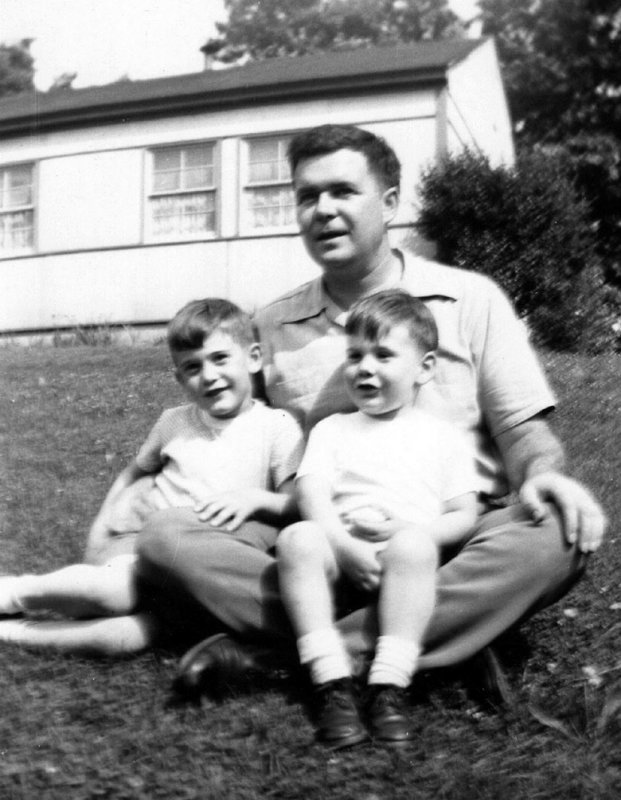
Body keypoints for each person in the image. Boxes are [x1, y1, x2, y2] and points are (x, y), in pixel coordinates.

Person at [137, 124, 606, 703]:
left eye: (341, 191)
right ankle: (433, 634)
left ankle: (301, 652)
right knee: (164, 536)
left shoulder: (471, 299)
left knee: (558, 532)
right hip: (320, 545)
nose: (322, 210)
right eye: (307, 196)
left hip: (448, 539)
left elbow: (524, 430)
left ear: (389, 203)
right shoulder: (272, 326)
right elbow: (235, 432)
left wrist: (543, 475)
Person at [0, 298, 302, 656]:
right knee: (113, 592)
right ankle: (14, 592)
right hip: (141, 548)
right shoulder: (174, 421)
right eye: (192, 367)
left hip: (207, 563)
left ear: (253, 358)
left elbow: (295, 505)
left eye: (220, 358)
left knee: (130, 636)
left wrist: (256, 499)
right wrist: (100, 532)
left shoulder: (277, 426)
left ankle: (18, 633)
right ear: (179, 378)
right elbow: (133, 474)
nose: (208, 375)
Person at [277, 289, 478, 747]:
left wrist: (412, 532)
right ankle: (332, 682)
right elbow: (311, 493)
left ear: (424, 368)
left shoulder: (442, 437)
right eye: (354, 355)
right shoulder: (332, 430)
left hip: (408, 571)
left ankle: (389, 686)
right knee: (297, 539)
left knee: (413, 547)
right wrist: (342, 545)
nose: (365, 367)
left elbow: (464, 513)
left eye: (384, 355)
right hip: (338, 560)